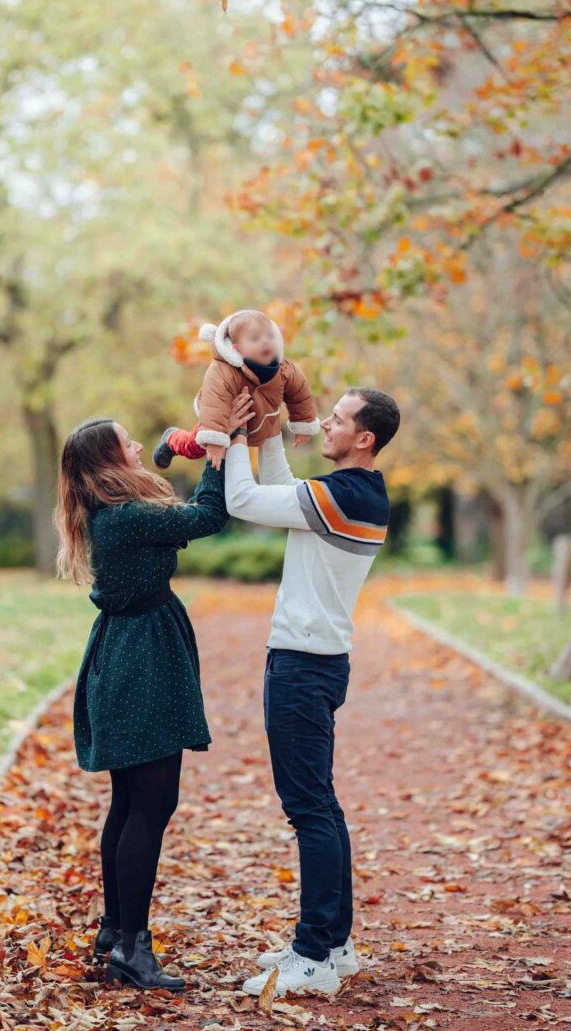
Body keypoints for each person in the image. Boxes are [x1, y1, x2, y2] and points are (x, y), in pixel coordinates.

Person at [224, 387, 401, 998]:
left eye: (339, 418)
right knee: (321, 806)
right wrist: (269, 425)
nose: (326, 421)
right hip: (318, 661)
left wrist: (234, 434)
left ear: (364, 438)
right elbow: (279, 492)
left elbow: (245, 499)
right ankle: (335, 943)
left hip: (301, 666)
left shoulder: (342, 495)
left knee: (309, 810)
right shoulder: (354, 494)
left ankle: (313, 955)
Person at [54, 417, 229, 992]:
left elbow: (180, 515)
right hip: (140, 662)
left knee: (130, 802)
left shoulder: (118, 514)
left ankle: (116, 931)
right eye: (126, 442)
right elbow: (208, 517)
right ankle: (132, 947)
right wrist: (216, 451)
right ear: (108, 461)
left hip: (131, 655)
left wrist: (181, 449)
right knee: (149, 804)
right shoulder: (126, 517)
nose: (136, 446)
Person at [152, 309, 320, 471]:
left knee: (266, 451)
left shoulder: (284, 369)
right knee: (195, 447)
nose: (265, 341)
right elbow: (214, 401)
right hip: (220, 417)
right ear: (237, 349)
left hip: (260, 418)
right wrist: (215, 440)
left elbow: (300, 395)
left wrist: (304, 424)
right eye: (255, 339)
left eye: (270, 336)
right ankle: (172, 439)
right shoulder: (223, 371)